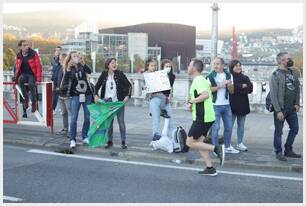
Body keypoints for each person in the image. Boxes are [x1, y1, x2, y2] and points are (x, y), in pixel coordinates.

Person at [186, 59, 224, 176]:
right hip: (206, 116)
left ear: (194, 68)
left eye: (189, 65)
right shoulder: (200, 80)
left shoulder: (198, 80)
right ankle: (210, 168)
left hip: (202, 117)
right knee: (199, 142)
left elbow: (205, 95)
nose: (187, 67)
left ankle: (216, 149)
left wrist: (191, 101)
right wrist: (193, 104)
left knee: (189, 142)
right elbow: (203, 96)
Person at [269, 52, 301, 161]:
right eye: (288, 59)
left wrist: (297, 103)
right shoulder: (275, 75)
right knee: (279, 131)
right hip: (281, 108)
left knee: (295, 128)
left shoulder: (293, 72)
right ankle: (278, 152)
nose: (290, 60)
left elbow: (297, 89)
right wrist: (278, 111)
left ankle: (288, 150)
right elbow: (273, 94)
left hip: (292, 108)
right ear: (281, 61)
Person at [94, 58, 132, 149]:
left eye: (115, 63)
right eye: (112, 63)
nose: (115, 64)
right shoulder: (104, 74)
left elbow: (129, 86)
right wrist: (95, 95)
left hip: (118, 102)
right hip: (107, 102)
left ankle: (123, 142)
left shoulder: (120, 74)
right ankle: (109, 141)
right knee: (109, 123)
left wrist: (127, 96)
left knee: (121, 122)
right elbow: (96, 86)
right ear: (108, 65)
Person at [206, 57, 239, 154]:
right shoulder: (210, 76)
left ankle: (227, 146)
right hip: (215, 105)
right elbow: (209, 90)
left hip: (226, 105)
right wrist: (221, 84)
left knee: (229, 127)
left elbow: (232, 91)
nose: (215, 66)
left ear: (223, 65)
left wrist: (229, 85)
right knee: (215, 128)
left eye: (218, 64)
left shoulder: (228, 75)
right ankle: (215, 148)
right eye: (214, 64)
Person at [66, 51, 93, 148]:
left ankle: (84, 136)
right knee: (74, 118)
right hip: (76, 95)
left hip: (87, 94)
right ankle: (72, 139)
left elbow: (90, 71)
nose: (76, 57)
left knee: (87, 117)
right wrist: (69, 68)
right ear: (70, 58)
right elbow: (66, 80)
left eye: (77, 56)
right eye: (74, 56)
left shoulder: (82, 66)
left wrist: (83, 63)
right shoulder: (69, 67)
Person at [145, 58, 174, 141]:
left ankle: (170, 137)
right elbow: (148, 86)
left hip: (165, 99)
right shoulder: (152, 74)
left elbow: (170, 88)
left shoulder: (169, 76)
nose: (168, 68)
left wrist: (170, 96)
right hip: (154, 98)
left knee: (170, 119)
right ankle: (156, 135)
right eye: (166, 66)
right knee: (156, 120)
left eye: (169, 66)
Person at [229, 60, 253, 151]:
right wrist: (242, 86)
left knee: (241, 126)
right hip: (232, 105)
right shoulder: (229, 77)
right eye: (236, 66)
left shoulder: (245, 77)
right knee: (229, 126)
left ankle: (240, 143)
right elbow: (231, 89)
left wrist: (237, 88)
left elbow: (250, 89)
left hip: (243, 105)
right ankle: (228, 144)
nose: (238, 67)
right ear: (232, 67)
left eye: (239, 65)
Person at [14, 40, 42, 113]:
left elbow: (38, 66)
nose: (27, 47)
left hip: (32, 74)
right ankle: (25, 98)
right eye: (24, 45)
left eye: (27, 45)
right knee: (20, 80)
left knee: (31, 84)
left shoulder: (33, 53)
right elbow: (16, 68)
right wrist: (15, 77)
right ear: (20, 47)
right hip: (24, 74)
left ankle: (34, 103)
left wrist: (38, 79)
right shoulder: (18, 55)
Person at [55, 53, 71, 138]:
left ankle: (71, 131)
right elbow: (58, 80)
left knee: (71, 113)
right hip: (60, 95)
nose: (59, 60)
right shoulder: (60, 68)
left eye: (61, 58)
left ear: (65, 59)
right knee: (64, 113)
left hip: (67, 95)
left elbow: (70, 83)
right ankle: (65, 129)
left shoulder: (68, 69)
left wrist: (61, 88)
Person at [51, 46, 62, 115]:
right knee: (54, 95)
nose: (57, 51)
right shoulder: (53, 60)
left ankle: (62, 108)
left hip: (61, 79)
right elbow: (53, 69)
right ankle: (53, 109)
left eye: (59, 50)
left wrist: (59, 58)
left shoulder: (62, 60)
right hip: (55, 79)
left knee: (61, 94)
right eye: (56, 50)